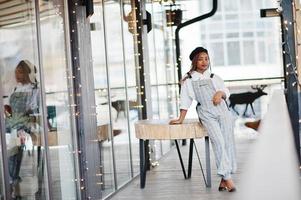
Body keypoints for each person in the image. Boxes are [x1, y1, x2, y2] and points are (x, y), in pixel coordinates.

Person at [170, 47, 237, 192]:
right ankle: (228, 177)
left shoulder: (214, 77)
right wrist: (180, 118)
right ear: (194, 61)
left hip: (223, 111)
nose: (204, 62)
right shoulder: (188, 79)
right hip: (206, 112)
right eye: (200, 59)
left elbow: (226, 91)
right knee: (218, 141)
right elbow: (185, 100)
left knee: (227, 142)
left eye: (206, 58)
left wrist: (220, 93)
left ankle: (223, 180)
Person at [5, 60, 39, 198]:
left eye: (20, 72)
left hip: (23, 124)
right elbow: (10, 109)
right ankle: (11, 182)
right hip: (11, 123)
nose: (17, 75)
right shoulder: (15, 89)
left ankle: (11, 183)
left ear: (26, 73)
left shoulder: (34, 89)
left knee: (13, 151)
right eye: (16, 72)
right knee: (10, 151)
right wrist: (7, 111)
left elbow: (34, 110)